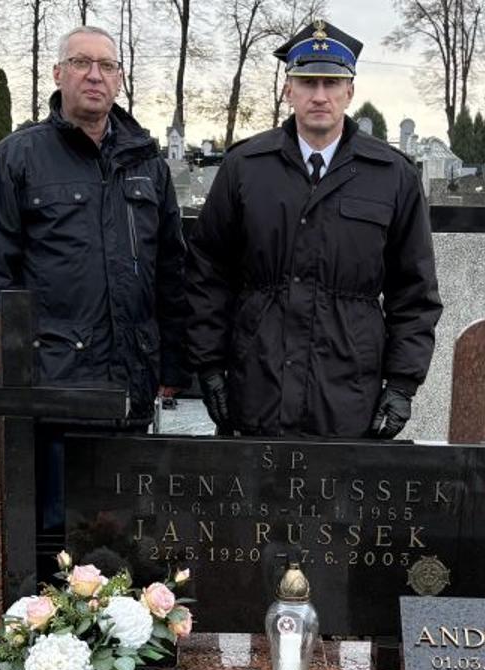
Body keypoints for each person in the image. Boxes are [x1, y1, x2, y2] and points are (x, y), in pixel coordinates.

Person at [0, 25, 191, 546]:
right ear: (58, 73)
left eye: (107, 66)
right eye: (82, 63)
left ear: (119, 78)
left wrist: (173, 363)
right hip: (53, 380)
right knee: (56, 537)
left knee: (126, 541)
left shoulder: (146, 163)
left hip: (131, 379)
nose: (95, 75)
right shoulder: (17, 158)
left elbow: (171, 269)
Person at [186, 20, 441, 439]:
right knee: (253, 502)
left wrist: (401, 384)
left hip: (347, 392)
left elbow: (414, 291)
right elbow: (207, 273)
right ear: (288, 90)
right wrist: (210, 366)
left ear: (350, 91)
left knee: (340, 503)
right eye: (307, 82)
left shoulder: (392, 176)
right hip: (257, 385)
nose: (319, 95)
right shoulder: (246, 168)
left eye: (331, 82)